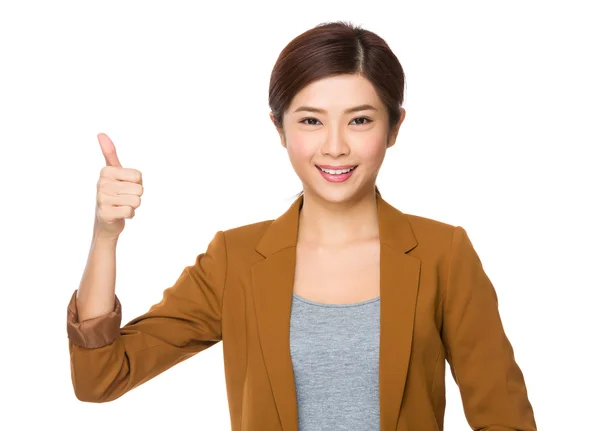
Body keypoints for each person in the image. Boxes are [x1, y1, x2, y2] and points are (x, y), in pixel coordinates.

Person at [66, 21, 537, 431]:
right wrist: (105, 237)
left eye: (360, 120)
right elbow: (101, 378)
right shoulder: (237, 259)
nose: (335, 147)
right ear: (280, 128)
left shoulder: (443, 254)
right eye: (311, 120)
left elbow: (506, 419)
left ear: (394, 128)